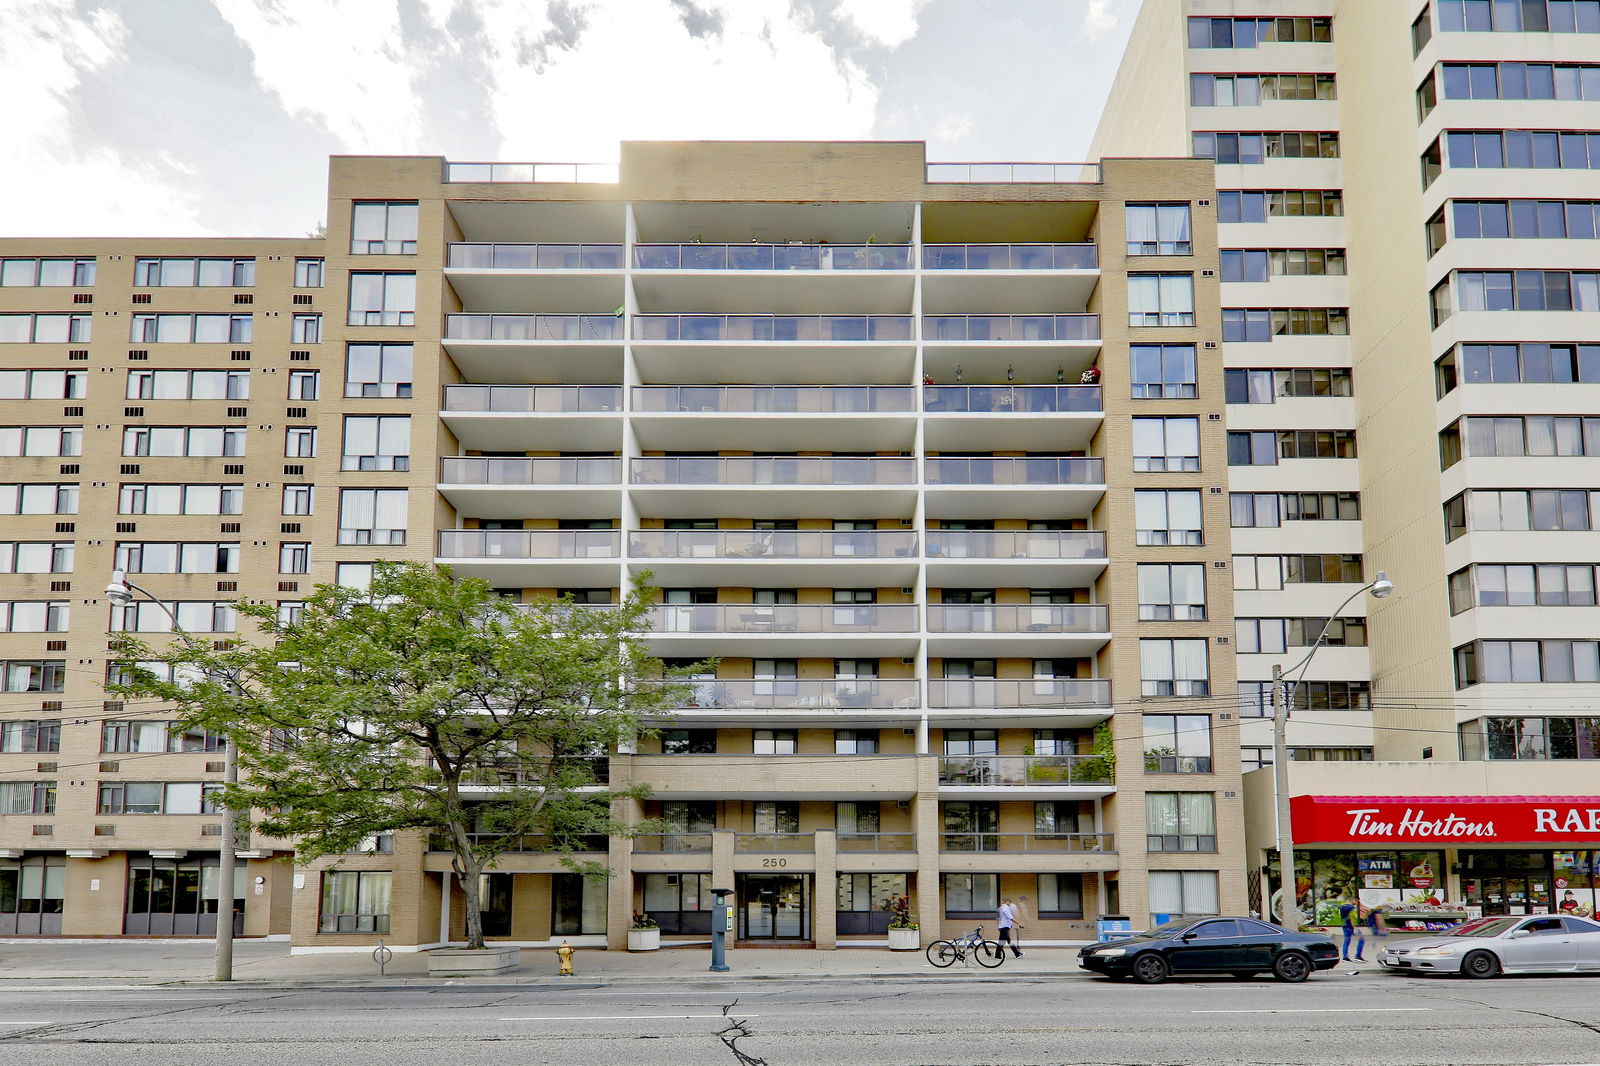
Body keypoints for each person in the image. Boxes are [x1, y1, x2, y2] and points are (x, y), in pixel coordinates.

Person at [1339, 897, 1365, 961]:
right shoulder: (1352, 908)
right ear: (1352, 900)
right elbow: (1351, 918)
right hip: (1350, 927)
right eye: (1356, 901)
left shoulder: (1342, 907)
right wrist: (1354, 928)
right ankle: (1358, 956)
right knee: (1361, 940)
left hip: (1344, 926)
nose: (1356, 903)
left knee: (1346, 941)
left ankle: (1345, 957)